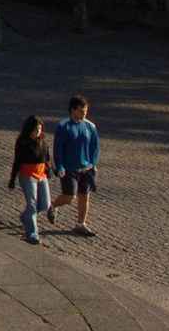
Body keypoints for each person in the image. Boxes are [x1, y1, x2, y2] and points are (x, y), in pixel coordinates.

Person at [48, 94, 99, 236]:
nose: (84, 114)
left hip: (86, 168)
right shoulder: (63, 126)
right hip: (69, 169)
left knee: (84, 195)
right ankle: (52, 205)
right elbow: (58, 148)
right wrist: (60, 166)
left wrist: (93, 164)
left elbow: (95, 147)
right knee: (69, 197)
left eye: (86, 111)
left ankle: (81, 224)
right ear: (73, 110)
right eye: (82, 111)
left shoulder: (90, 126)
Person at [8, 115, 54, 244]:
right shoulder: (22, 143)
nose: (37, 132)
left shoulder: (43, 142)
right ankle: (32, 234)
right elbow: (17, 161)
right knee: (32, 205)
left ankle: (25, 217)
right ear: (29, 130)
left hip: (41, 174)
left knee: (44, 204)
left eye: (39, 129)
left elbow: (46, 158)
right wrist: (12, 179)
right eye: (35, 130)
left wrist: (48, 170)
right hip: (27, 175)